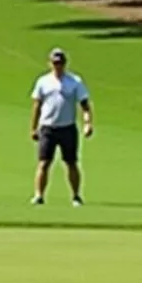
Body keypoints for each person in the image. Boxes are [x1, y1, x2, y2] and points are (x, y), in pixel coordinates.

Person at [30, 47, 93, 207]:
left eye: (60, 63)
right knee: (44, 163)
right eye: (55, 63)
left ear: (65, 64)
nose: (58, 66)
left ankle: (76, 196)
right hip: (48, 127)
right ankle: (39, 195)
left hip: (67, 128)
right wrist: (33, 127)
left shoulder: (74, 82)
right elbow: (37, 105)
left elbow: (84, 105)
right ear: (50, 63)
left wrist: (87, 123)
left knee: (71, 162)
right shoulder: (43, 82)